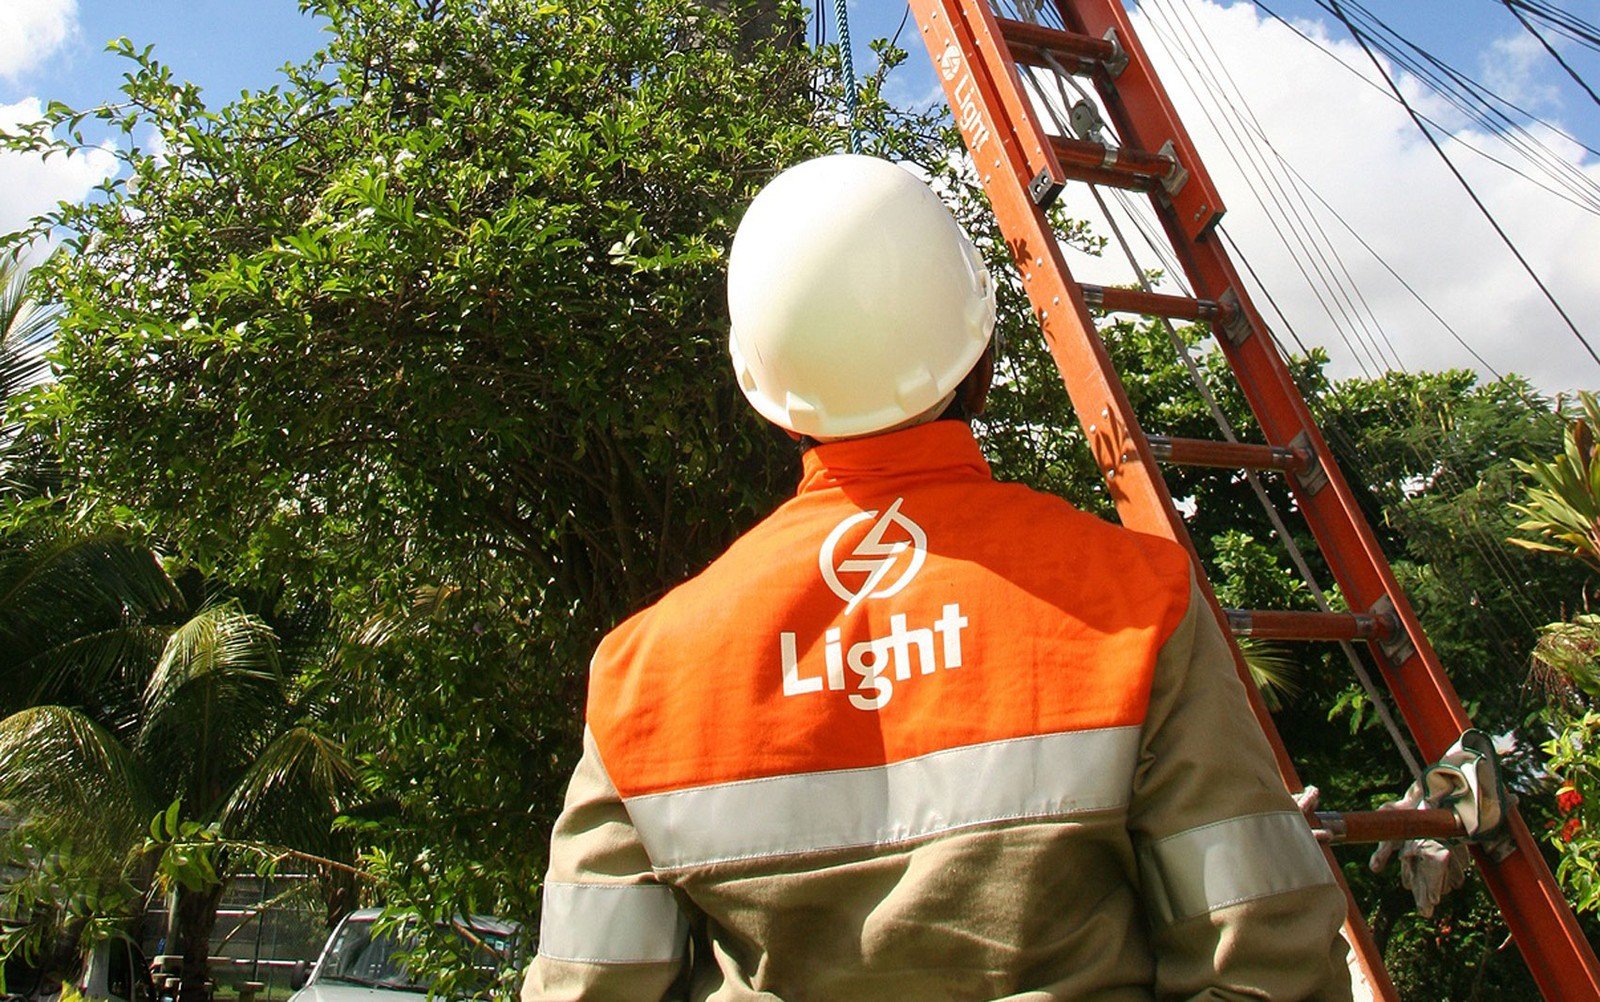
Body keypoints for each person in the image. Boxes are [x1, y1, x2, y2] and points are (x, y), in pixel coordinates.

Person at [523, 154, 1352, 1000]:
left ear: (765, 395)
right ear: (982, 351)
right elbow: (1266, 967)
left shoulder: (641, 676)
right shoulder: (1136, 600)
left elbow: (588, 986)